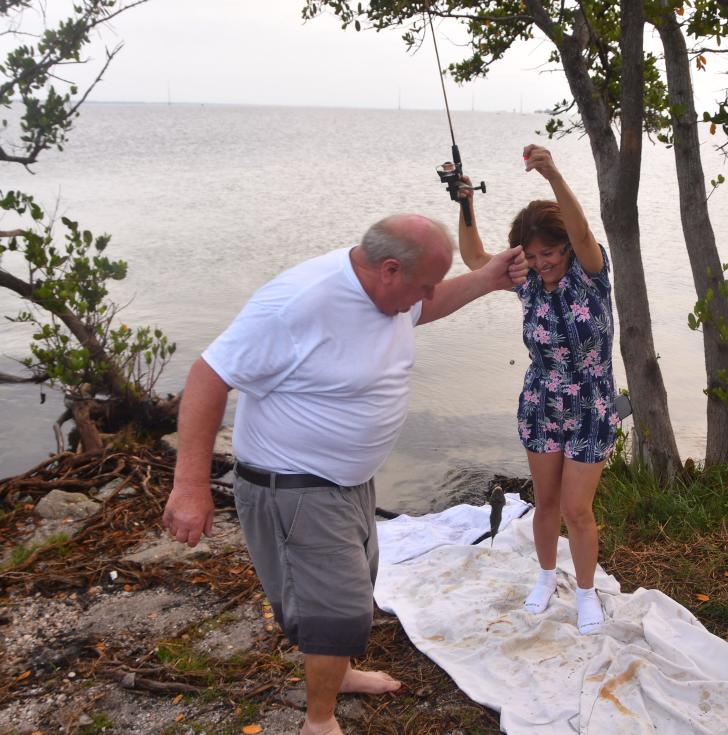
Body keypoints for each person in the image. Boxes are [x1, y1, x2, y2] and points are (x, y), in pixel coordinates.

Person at [162, 214, 527, 735]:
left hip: (348, 482)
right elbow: (209, 375)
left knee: (356, 582)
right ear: (389, 269)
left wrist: (487, 278)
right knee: (337, 609)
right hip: (294, 484)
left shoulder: (389, 292)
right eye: (422, 284)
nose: (426, 296)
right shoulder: (298, 303)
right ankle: (319, 721)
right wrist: (191, 485)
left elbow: (426, 305)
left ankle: (339, 675)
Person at [457, 145, 617, 635]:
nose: (541, 263)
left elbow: (584, 229)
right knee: (545, 504)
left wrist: (552, 174)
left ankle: (586, 593)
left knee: (577, 509)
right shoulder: (526, 282)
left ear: (565, 247)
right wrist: (465, 204)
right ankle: (547, 577)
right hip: (541, 402)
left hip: (591, 403)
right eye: (532, 256)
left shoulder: (591, 274)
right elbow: (475, 260)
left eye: (548, 253)